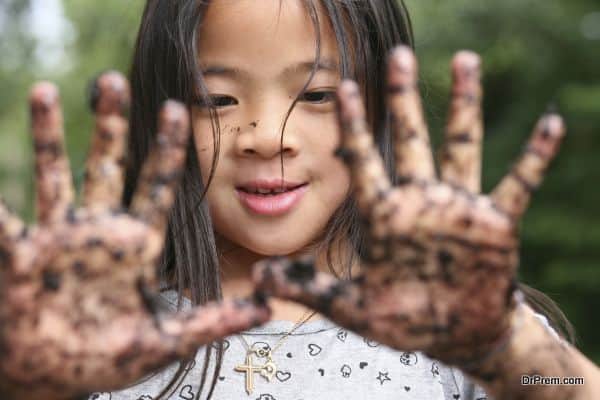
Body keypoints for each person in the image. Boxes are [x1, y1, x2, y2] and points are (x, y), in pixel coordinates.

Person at [0, 1, 598, 400]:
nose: (268, 136)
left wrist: (505, 348)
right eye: (217, 99)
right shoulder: (100, 335)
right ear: (164, 116)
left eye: (315, 93)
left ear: (386, 110)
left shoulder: (448, 316)